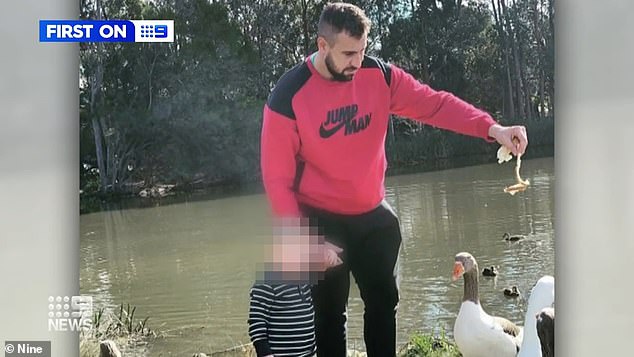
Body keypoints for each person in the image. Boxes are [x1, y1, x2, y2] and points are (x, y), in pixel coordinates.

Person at [259, 2, 528, 356]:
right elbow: (277, 181)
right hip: (318, 222)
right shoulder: (288, 96)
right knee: (328, 318)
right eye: (349, 53)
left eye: (363, 50)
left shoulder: (380, 76)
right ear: (322, 46)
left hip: (372, 217)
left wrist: (492, 129)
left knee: (384, 306)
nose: (358, 61)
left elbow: (435, 105)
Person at [247, 228, 342, 357]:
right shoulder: (266, 283)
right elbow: (257, 322)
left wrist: (329, 255)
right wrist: (264, 352)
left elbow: (327, 264)